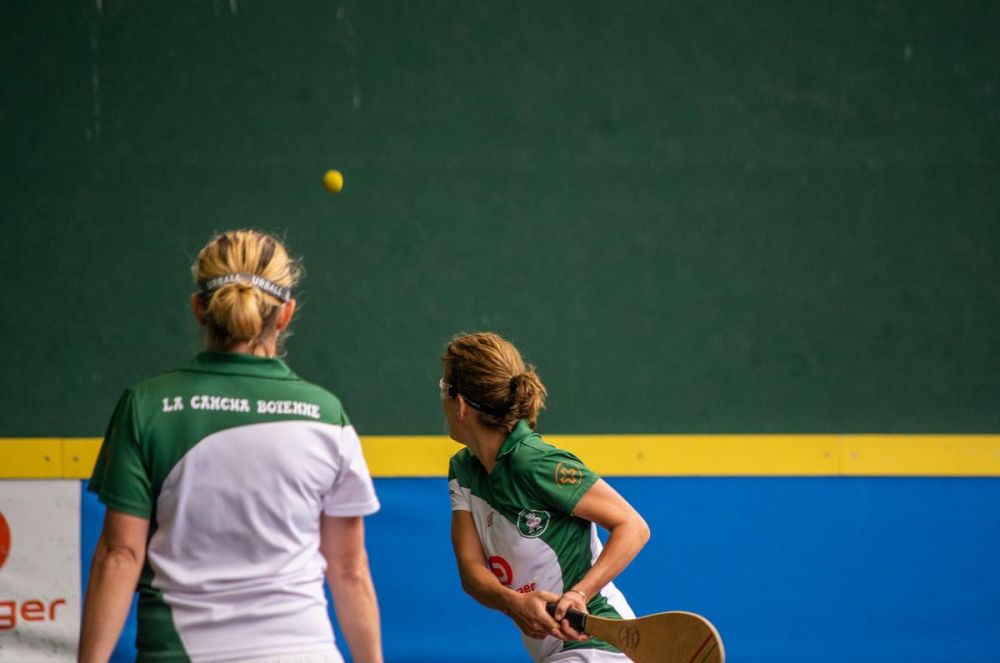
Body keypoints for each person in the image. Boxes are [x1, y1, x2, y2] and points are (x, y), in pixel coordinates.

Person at [80, 230, 383, 663]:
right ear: (285, 314)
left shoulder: (146, 406)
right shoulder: (325, 415)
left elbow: (119, 553)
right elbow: (350, 571)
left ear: (199, 308)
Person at [443, 332, 650, 663]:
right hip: (554, 652)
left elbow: (633, 526)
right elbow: (470, 569)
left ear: (461, 404)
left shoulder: (535, 462)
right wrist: (512, 603)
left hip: (595, 645)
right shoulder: (464, 469)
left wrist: (579, 593)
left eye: (443, 388)